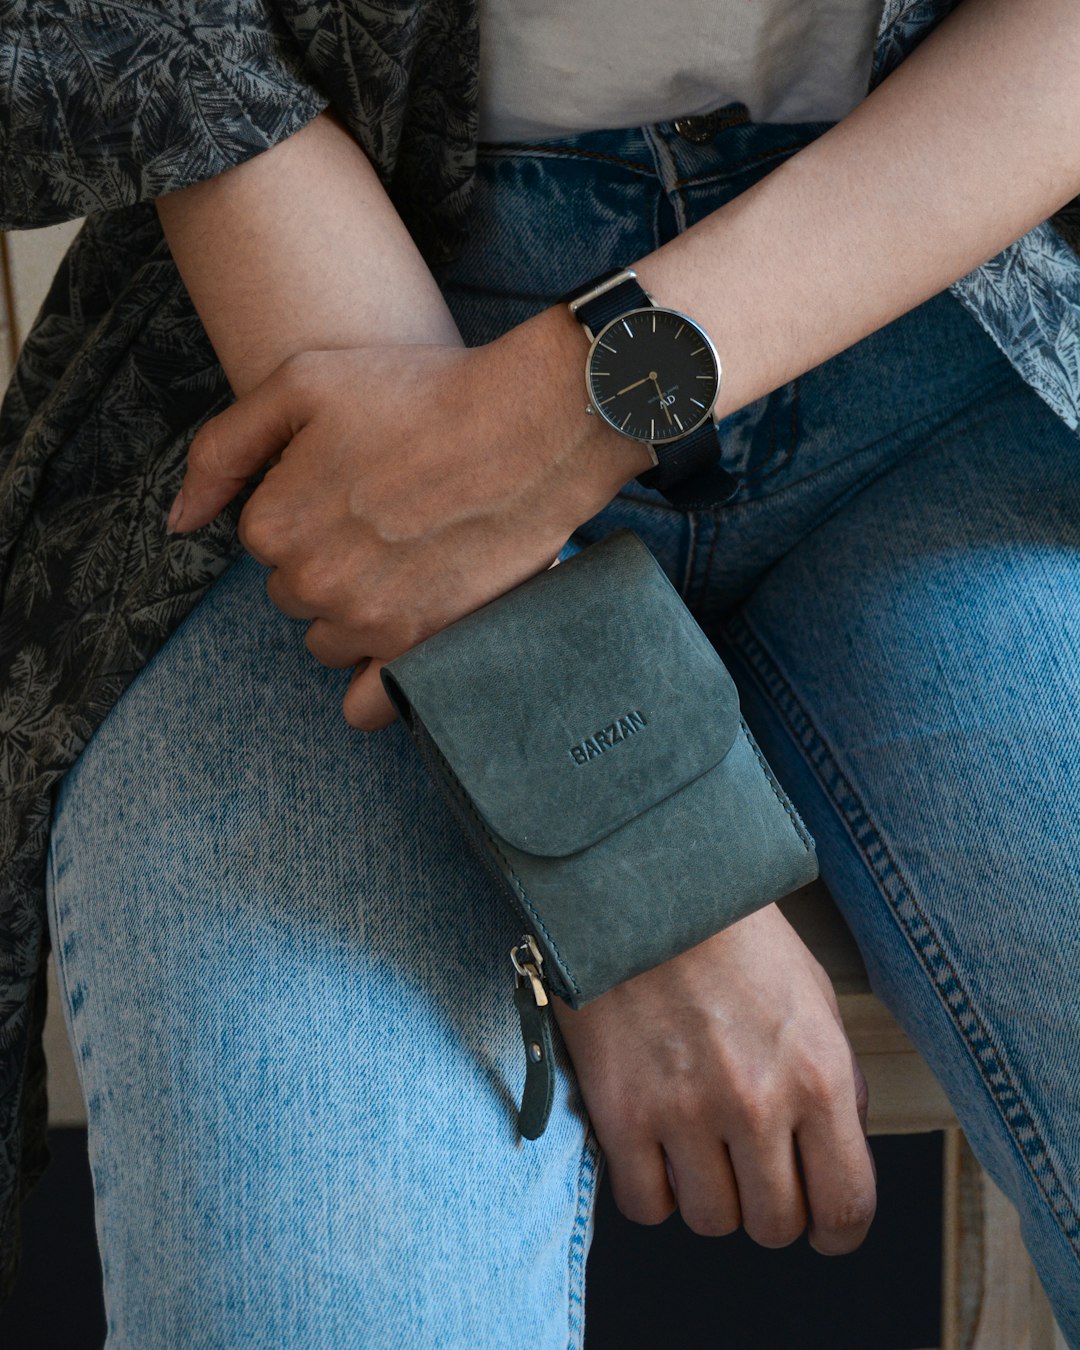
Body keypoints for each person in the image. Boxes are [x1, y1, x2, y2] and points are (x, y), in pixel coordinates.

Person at [2, 0, 1079, 1344]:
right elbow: (152, 42)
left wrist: (578, 402)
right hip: (307, 368)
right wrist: (637, 847)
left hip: (952, 319)